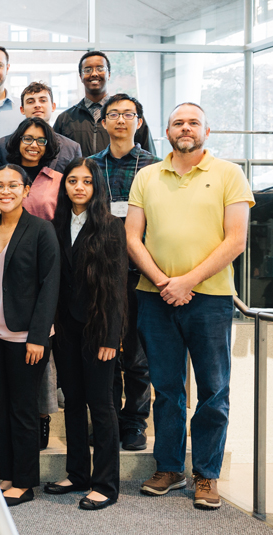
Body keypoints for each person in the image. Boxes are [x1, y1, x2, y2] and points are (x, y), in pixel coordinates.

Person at [128, 103, 253, 510]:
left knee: (213, 391)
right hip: (155, 297)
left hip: (211, 300)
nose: (186, 128)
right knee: (165, 390)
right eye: (178, 122)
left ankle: (206, 475)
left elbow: (235, 240)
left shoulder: (229, 174)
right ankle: (168, 467)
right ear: (166, 131)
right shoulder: (147, 175)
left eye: (193, 122)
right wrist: (166, 283)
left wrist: (187, 281)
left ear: (207, 130)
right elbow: (132, 237)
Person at [44, 159, 126, 510]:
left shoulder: (110, 227)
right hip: (65, 329)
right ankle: (77, 474)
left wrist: (112, 336)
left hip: (98, 329)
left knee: (101, 405)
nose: (79, 186)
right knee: (73, 401)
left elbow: (119, 286)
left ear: (96, 187)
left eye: (86, 181)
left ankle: (105, 485)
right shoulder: (56, 224)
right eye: (73, 181)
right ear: (65, 187)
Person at [0, 164, 59, 507]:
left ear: (26, 190)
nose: (5, 191)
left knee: (23, 410)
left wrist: (39, 336)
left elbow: (50, 284)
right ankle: (6, 475)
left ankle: (25, 482)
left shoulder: (41, 230)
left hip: (27, 337)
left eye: (13, 185)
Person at [88, 93, 160, 451]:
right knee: (102, 348)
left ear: (139, 121)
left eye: (128, 114)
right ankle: (107, 418)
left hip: (138, 272)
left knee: (134, 352)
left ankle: (134, 422)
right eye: (112, 114)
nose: (120, 120)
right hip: (98, 273)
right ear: (102, 123)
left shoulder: (154, 167)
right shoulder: (89, 166)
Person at [54, 51, 156, 157]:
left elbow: (149, 157)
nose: (94, 73)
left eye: (100, 68)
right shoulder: (65, 119)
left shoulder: (130, 115)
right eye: (88, 70)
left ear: (109, 74)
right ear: (80, 76)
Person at [0, 82, 82, 175]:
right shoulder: (0, 146)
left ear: (53, 107)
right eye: (30, 102)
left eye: (43, 100)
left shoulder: (72, 148)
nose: (37, 105)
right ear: (22, 109)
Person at [5, 117, 62, 221]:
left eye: (41, 140)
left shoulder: (58, 180)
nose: (34, 145)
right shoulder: (3, 176)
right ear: (18, 141)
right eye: (27, 139)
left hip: (47, 236)